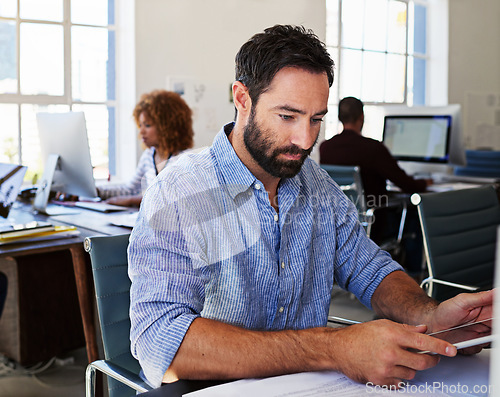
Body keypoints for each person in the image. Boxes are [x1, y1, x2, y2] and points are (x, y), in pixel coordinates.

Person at [128, 25, 493, 389]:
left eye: (316, 119)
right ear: (242, 99)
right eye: (287, 116)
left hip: (308, 384)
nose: (305, 140)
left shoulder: (316, 184)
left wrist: (430, 313)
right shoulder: (180, 193)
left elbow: (369, 267)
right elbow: (159, 339)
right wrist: (332, 349)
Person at [319, 97, 433, 275]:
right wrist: (425, 182)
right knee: (412, 211)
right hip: (373, 222)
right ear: (361, 118)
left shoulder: (326, 148)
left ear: (340, 117)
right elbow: (406, 184)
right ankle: (413, 275)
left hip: (339, 221)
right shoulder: (373, 148)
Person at [97, 90, 194, 207]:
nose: (141, 131)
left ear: (167, 127)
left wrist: (131, 200)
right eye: (141, 125)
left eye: (147, 125)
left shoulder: (185, 160)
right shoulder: (149, 155)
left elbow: (169, 199)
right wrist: (96, 191)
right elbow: (129, 189)